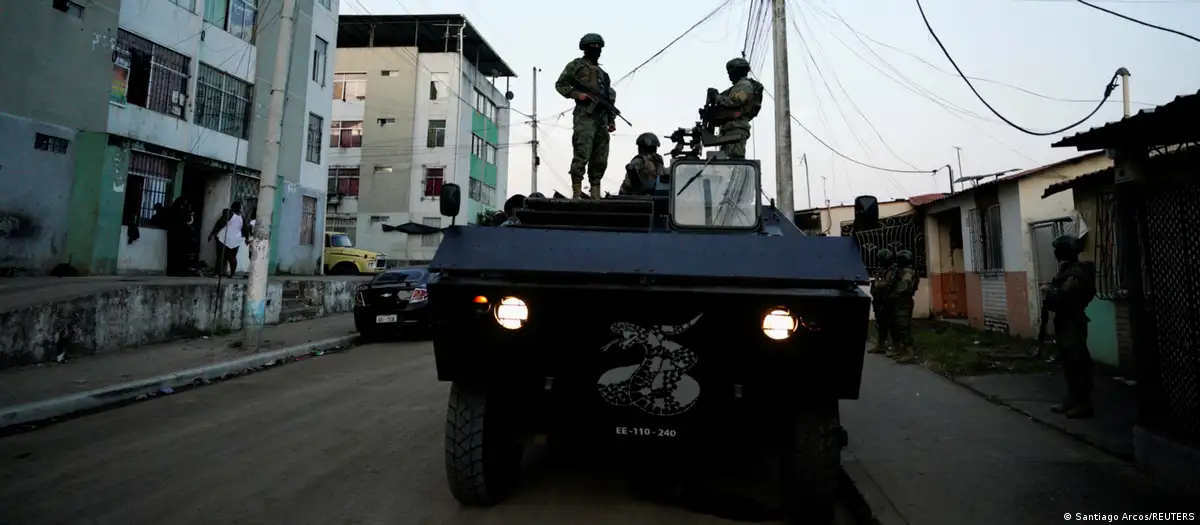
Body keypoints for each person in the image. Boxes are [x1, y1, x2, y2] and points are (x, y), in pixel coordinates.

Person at [555, 33, 617, 199]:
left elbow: (608, 98)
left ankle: (595, 194)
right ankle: (576, 193)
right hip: (585, 117)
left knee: (600, 158)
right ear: (585, 48)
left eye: (598, 47)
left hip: (601, 119)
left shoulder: (604, 75)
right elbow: (560, 84)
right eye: (593, 46)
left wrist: (611, 120)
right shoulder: (576, 65)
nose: (596, 49)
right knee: (582, 153)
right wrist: (577, 95)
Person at [1043, 234, 1096, 419]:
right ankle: (1071, 401)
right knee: (1068, 364)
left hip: (1073, 322)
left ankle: (1083, 404)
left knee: (1077, 363)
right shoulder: (1067, 270)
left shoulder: (1076, 273)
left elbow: (1064, 298)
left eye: (1058, 249)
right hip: (1066, 322)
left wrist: (1049, 293)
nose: (1056, 253)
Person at [708, 57, 764, 159]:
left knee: (734, 161)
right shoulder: (736, 87)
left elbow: (736, 101)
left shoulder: (745, 85)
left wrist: (717, 97)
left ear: (739, 70)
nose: (729, 74)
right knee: (726, 162)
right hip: (730, 130)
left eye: (731, 71)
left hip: (736, 130)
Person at [888, 250, 919, 363]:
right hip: (900, 301)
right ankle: (903, 351)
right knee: (899, 326)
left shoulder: (908, 272)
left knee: (903, 326)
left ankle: (909, 353)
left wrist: (894, 293)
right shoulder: (902, 270)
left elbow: (905, 285)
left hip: (903, 301)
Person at [868, 248, 896, 354]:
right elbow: (877, 282)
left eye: (881, 259)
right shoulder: (883, 269)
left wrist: (877, 284)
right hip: (879, 299)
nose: (880, 262)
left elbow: (887, 284)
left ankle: (896, 347)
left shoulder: (893, 270)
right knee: (880, 323)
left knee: (891, 324)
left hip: (887, 300)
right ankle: (880, 345)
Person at [208, 201, 245, 278]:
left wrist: (213, 233)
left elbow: (219, 224)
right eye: (240, 207)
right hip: (232, 239)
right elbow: (245, 229)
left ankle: (217, 273)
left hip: (225, 238)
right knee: (231, 257)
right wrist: (247, 238)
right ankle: (231, 274)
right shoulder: (240, 216)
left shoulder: (230, 214)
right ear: (238, 208)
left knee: (221, 256)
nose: (241, 209)